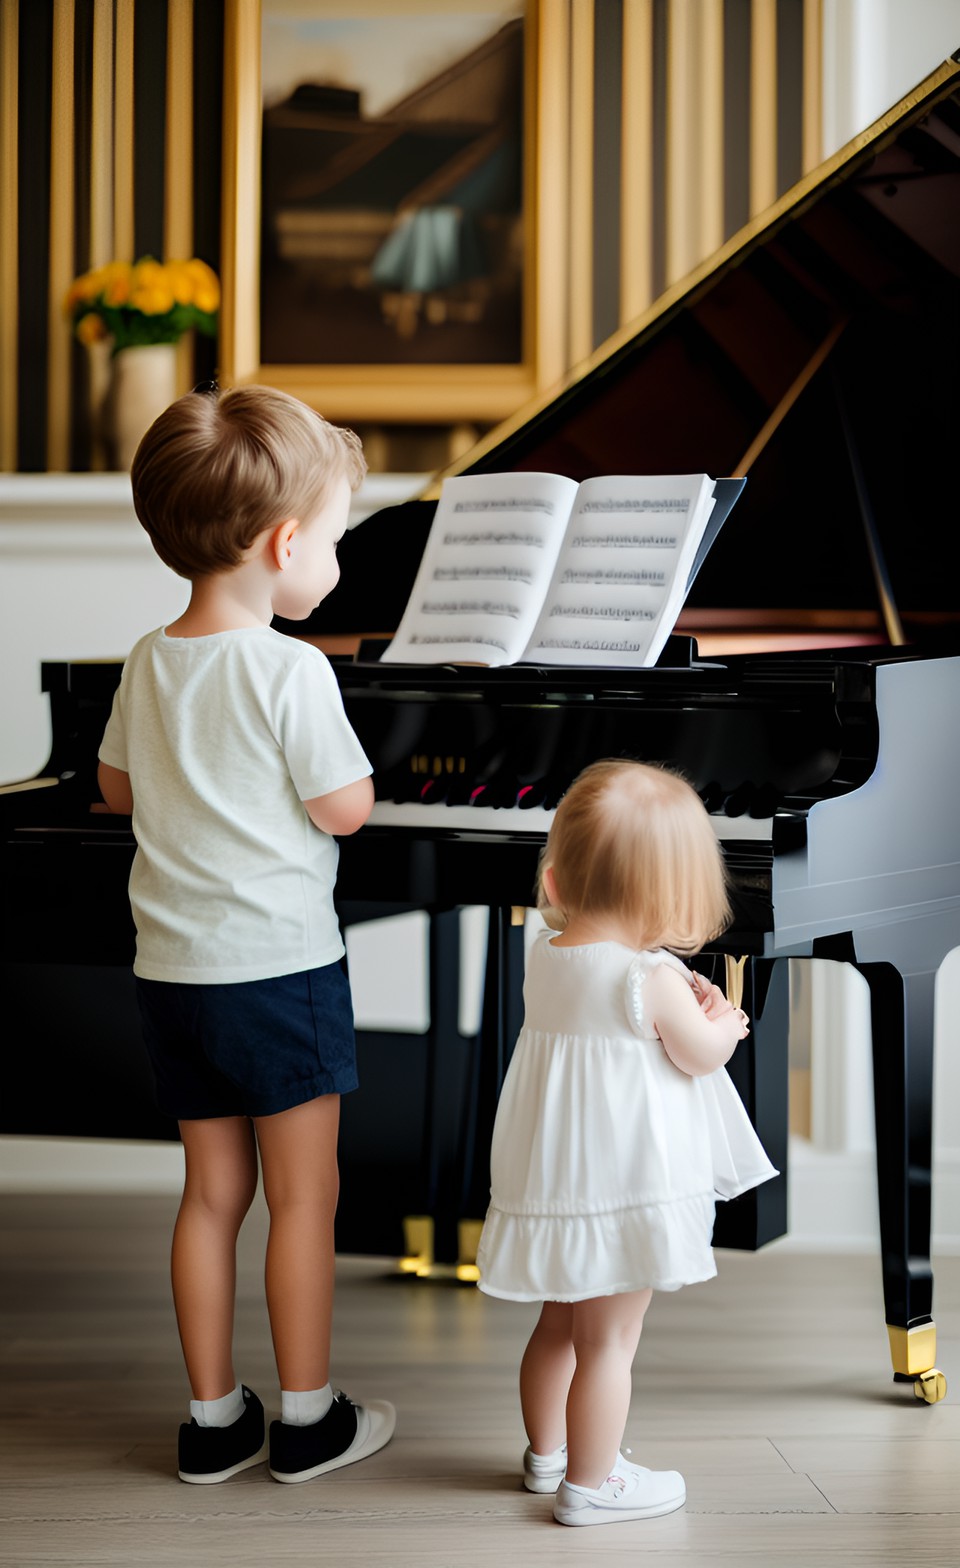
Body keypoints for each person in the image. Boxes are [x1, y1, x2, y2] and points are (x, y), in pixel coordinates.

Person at [97, 383, 395, 1485]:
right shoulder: (290, 667)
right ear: (281, 542)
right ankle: (311, 1416)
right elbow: (344, 807)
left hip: (174, 977)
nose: (335, 561)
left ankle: (214, 1417)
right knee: (303, 1196)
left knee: (211, 1194)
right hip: (281, 977)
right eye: (333, 539)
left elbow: (118, 788)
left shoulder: (148, 655)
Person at [475, 758, 777, 1528]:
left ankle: (548, 1457)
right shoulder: (650, 978)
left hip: (559, 1177)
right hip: (626, 1186)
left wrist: (682, 995)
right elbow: (697, 1053)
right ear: (672, 895)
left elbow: (620, 1015)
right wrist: (727, 1025)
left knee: (559, 1323)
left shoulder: (545, 958)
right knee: (611, 1341)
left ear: (554, 883)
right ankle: (593, 1484)